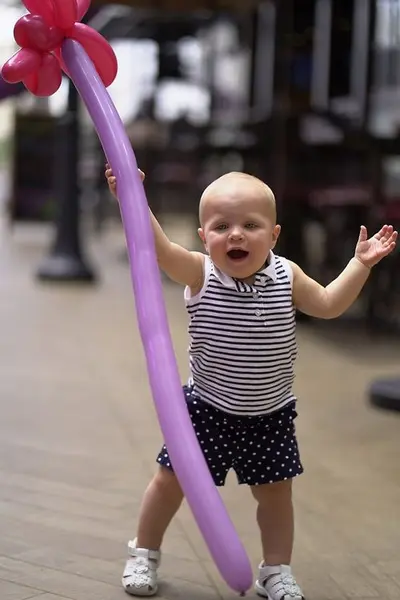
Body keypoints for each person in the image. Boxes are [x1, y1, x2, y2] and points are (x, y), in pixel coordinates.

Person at [105, 165, 397, 600]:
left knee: (276, 498)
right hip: (206, 410)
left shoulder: (287, 276)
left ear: (274, 235)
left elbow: (330, 304)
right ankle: (144, 551)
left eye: (250, 225)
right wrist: (131, 195)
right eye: (221, 226)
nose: (235, 235)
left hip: (271, 415)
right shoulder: (202, 274)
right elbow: (159, 249)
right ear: (204, 237)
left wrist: (359, 264)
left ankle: (275, 570)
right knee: (169, 483)